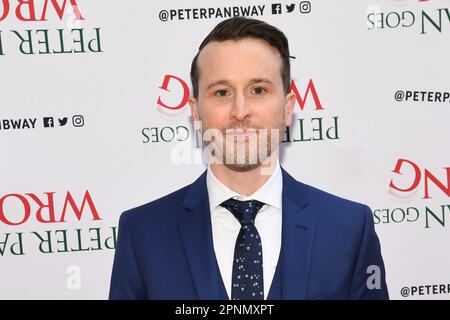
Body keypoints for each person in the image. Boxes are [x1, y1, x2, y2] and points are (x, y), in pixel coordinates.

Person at [109, 16, 389, 300]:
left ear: (287, 107)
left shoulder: (349, 228)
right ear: (195, 112)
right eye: (221, 92)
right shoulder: (143, 234)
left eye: (258, 90)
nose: (240, 111)